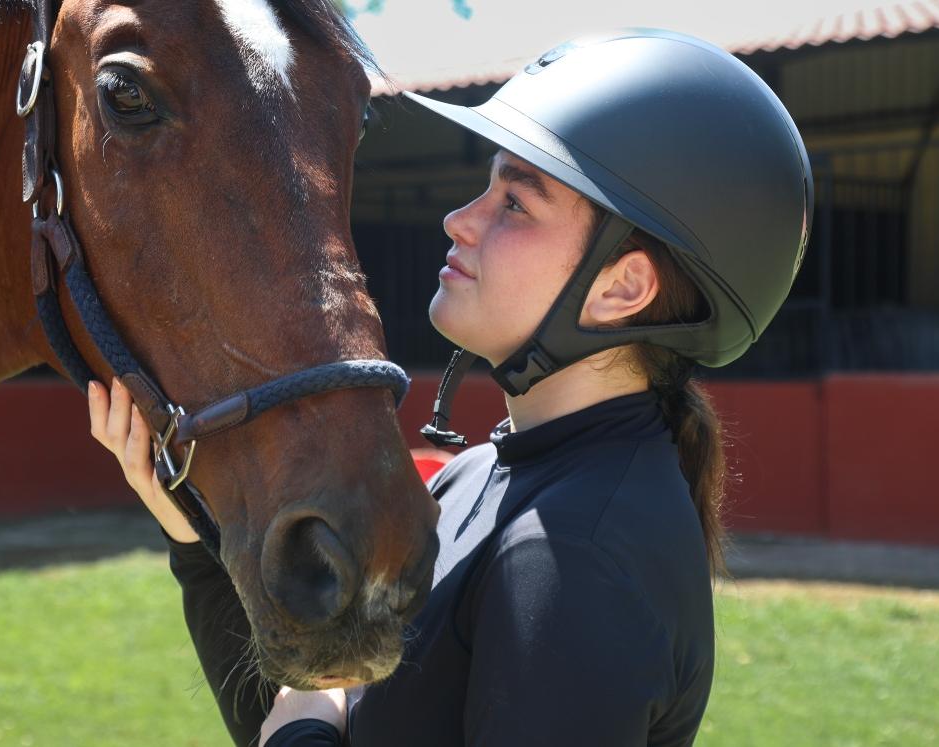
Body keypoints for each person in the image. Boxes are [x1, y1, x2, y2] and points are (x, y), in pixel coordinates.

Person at [88, 29, 811, 747]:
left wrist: (304, 726)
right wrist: (190, 533)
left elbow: (305, 720)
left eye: (515, 203)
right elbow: (299, 710)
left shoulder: (574, 554)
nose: (459, 220)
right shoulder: (484, 478)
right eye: (486, 187)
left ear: (622, 287)